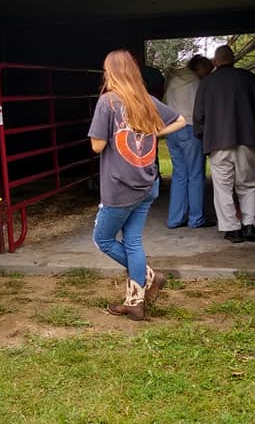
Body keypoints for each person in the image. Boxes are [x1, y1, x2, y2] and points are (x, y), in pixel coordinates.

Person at [89, 49, 185, 320]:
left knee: (103, 239)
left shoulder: (107, 102)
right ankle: (135, 302)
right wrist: (153, 132)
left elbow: (97, 146)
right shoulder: (146, 100)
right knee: (132, 241)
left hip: (120, 186)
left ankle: (149, 276)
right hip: (147, 182)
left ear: (110, 73)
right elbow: (180, 120)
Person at [193, 45, 255, 243]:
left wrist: (202, 135)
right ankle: (249, 225)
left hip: (217, 141)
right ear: (233, 59)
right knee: (248, 183)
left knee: (223, 186)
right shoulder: (248, 78)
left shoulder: (207, 83)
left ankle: (232, 229)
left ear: (215, 62)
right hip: (247, 139)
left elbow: (199, 115)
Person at [163, 55, 214, 229]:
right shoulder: (197, 83)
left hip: (172, 130)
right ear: (199, 69)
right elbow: (202, 109)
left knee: (179, 175)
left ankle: (175, 218)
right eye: (206, 71)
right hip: (190, 129)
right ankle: (196, 219)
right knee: (195, 175)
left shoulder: (173, 81)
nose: (207, 75)